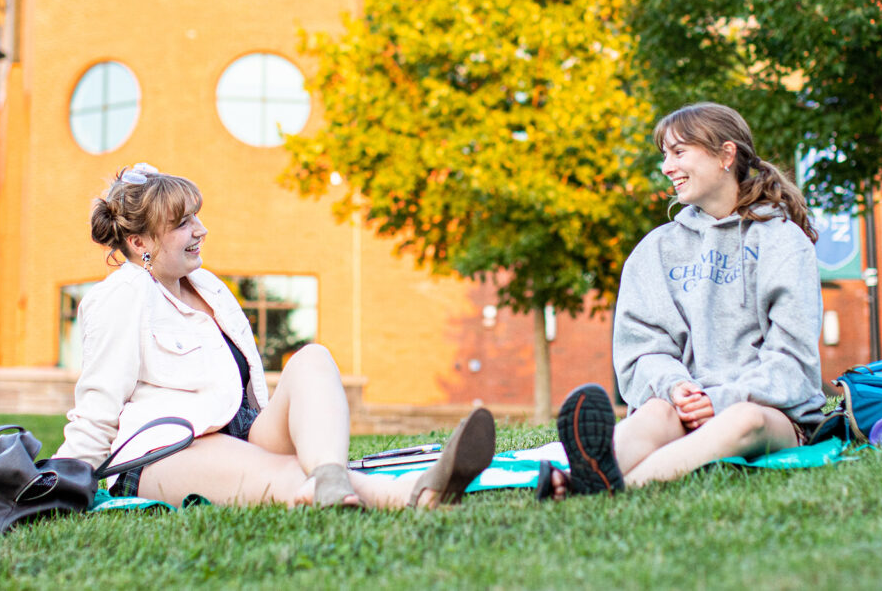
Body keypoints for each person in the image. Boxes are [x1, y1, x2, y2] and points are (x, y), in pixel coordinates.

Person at [57, 163, 495, 510]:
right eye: (182, 223)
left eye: (196, 217)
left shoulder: (206, 285)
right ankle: (416, 494)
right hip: (166, 451)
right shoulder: (121, 296)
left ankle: (330, 474)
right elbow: (97, 410)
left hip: (241, 432)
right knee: (283, 474)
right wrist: (60, 480)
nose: (200, 230)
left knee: (313, 358)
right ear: (138, 242)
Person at [540, 103, 825, 498]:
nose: (666, 167)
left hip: (770, 413)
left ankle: (600, 490)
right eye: (664, 155)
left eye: (679, 152)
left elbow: (793, 361)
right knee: (656, 410)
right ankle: (586, 471)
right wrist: (675, 387)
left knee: (741, 420)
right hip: (683, 406)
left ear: (726, 155)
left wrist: (721, 399)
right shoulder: (655, 250)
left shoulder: (781, 240)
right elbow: (643, 349)